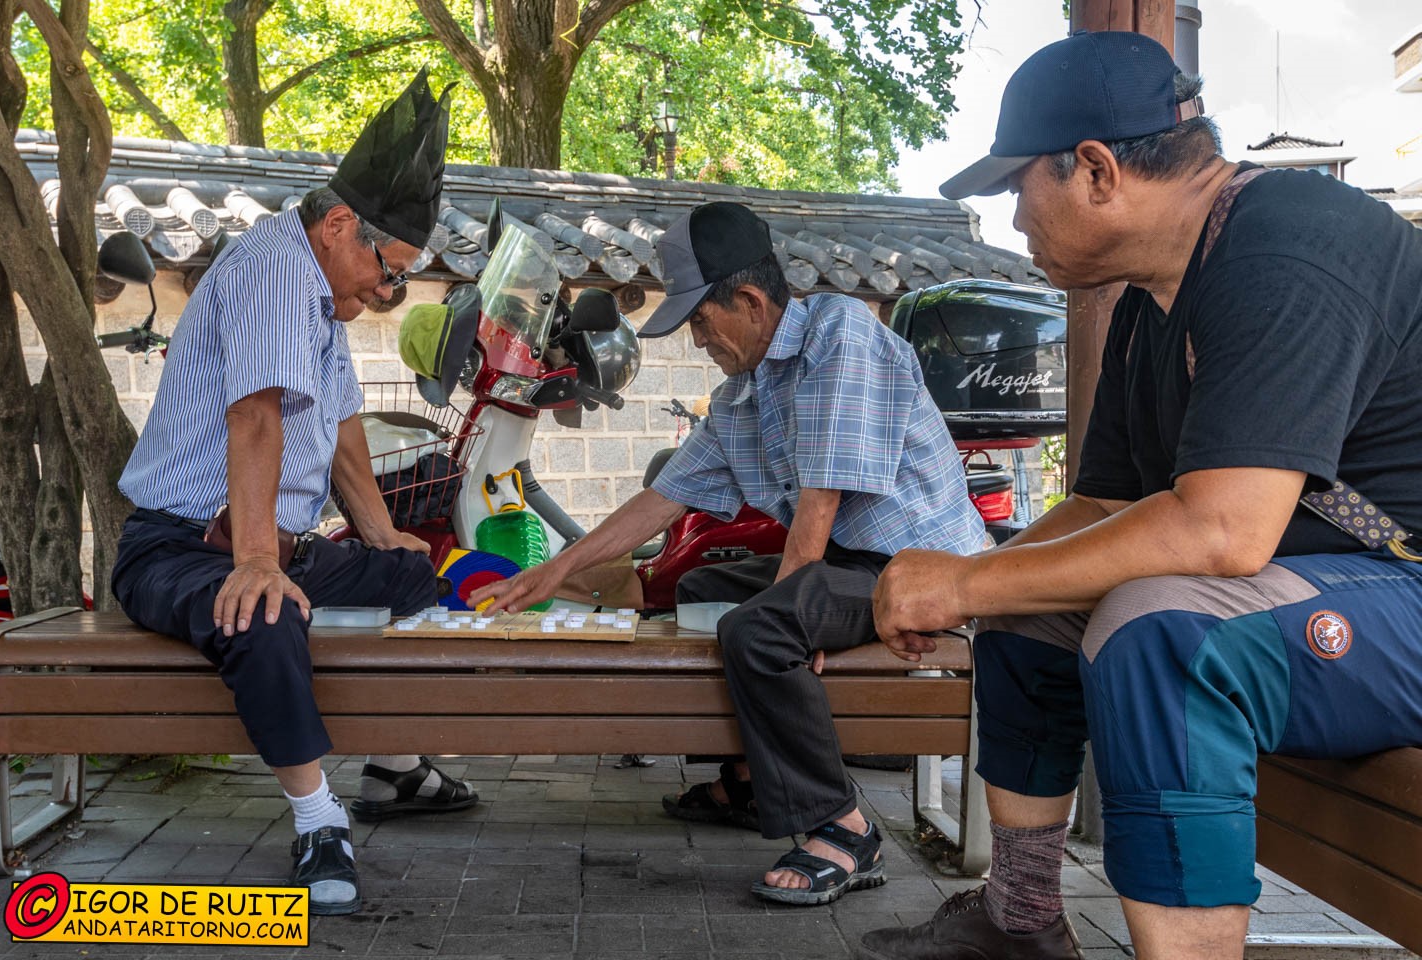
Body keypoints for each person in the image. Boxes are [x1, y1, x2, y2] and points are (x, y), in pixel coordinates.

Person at [859, 31, 1422, 960]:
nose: (1015, 224)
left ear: (1094, 170)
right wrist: (979, 578)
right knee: (1026, 607)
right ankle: (1023, 919)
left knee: (1164, 631)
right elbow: (1103, 507)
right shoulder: (1147, 306)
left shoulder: (1289, 240)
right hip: (1322, 586)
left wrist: (958, 585)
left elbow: (1223, 532)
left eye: (1015, 192)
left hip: (1398, 587)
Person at [471, 200, 986, 906]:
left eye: (700, 323)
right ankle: (750, 778)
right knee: (696, 589)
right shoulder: (743, 393)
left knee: (758, 628)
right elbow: (662, 500)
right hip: (850, 561)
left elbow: (821, 503)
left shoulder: (839, 337)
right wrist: (555, 570)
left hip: (917, 570)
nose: (696, 342)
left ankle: (843, 829)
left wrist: (791, 615)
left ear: (747, 300)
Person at [111, 69, 479, 916]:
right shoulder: (278, 267)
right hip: (178, 546)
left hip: (266, 543)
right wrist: (251, 559)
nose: (387, 293)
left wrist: (384, 537)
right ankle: (318, 819)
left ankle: (390, 758)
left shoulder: (320, 293)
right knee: (263, 610)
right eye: (388, 271)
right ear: (340, 225)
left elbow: (344, 436)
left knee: (413, 574)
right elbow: (256, 420)